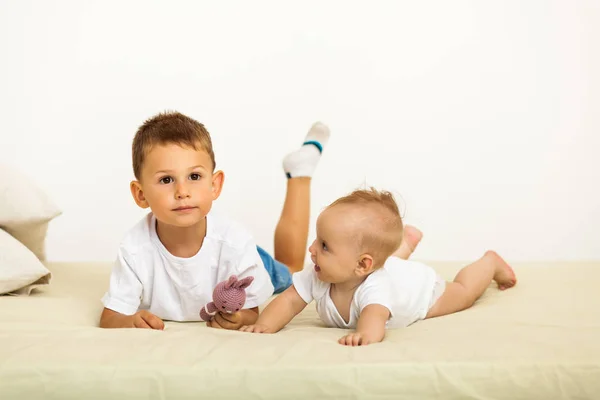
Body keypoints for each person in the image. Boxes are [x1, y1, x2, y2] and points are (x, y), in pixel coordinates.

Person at [98, 111, 332, 330]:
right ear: (141, 195)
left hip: (238, 261)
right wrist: (130, 321)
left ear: (214, 185)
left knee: (291, 269)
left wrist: (239, 317)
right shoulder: (134, 249)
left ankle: (300, 173)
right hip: (222, 255)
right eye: (167, 179)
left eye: (194, 176)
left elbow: (252, 312)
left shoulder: (236, 245)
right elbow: (110, 317)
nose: (182, 191)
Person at [240, 188, 517, 346]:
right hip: (386, 267)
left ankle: (489, 262)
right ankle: (403, 246)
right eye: (317, 240)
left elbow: (374, 318)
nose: (312, 250)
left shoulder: (376, 287)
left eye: (324, 246)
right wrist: (264, 325)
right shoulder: (319, 274)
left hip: (418, 289)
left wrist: (364, 336)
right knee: (390, 263)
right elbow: (288, 301)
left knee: (464, 292)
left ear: (362, 265)